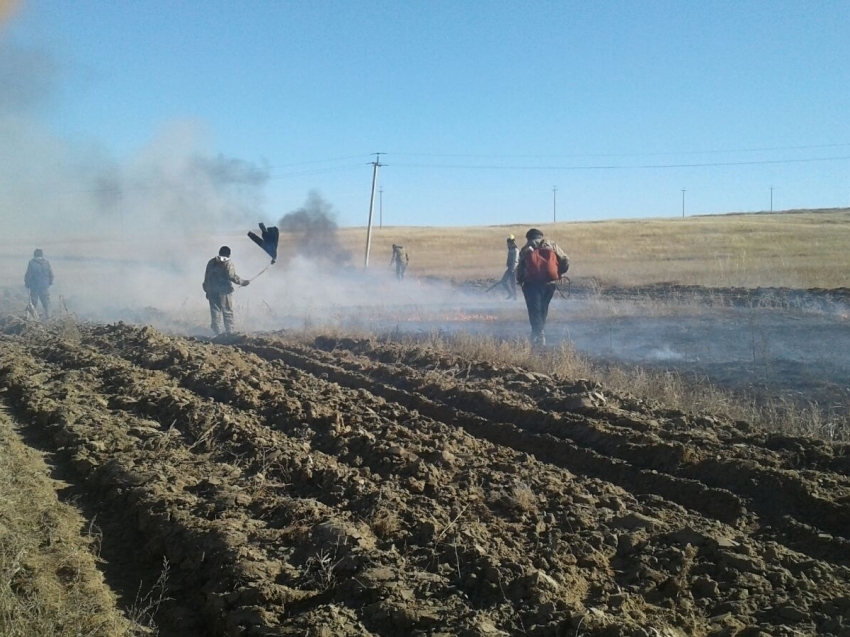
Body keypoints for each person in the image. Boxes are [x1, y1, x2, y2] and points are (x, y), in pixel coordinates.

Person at [515, 228, 569, 347]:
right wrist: (557, 273)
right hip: (549, 284)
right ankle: (539, 334)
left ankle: (537, 337)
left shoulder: (526, 248)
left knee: (535, 311)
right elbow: (565, 260)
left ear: (529, 237)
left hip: (532, 285)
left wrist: (520, 280)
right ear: (540, 236)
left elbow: (520, 268)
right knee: (543, 309)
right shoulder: (551, 245)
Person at [202, 246, 250, 335]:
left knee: (215, 311)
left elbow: (207, 276)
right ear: (229, 254)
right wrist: (242, 282)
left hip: (212, 290)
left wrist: (207, 290)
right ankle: (229, 332)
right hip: (225, 291)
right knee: (227, 311)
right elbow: (231, 276)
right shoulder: (228, 263)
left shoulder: (211, 262)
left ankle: (217, 332)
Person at [24, 248, 54, 319]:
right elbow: (51, 275)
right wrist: (48, 283)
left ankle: (33, 319)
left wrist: (27, 284)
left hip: (34, 287)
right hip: (44, 286)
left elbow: (28, 275)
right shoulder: (46, 263)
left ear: (34, 255)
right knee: (46, 304)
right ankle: (49, 318)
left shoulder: (31, 263)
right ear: (42, 255)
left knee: (33, 303)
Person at [500, 235, 519, 299]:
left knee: (512, 283)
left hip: (513, 269)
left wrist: (513, 269)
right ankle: (511, 293)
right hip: (510, 268)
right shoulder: (510, 249)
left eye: (508, 243)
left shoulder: (515, 250)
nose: (507, 245)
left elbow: (516, 261)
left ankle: (515, 297)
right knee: (503, 281)